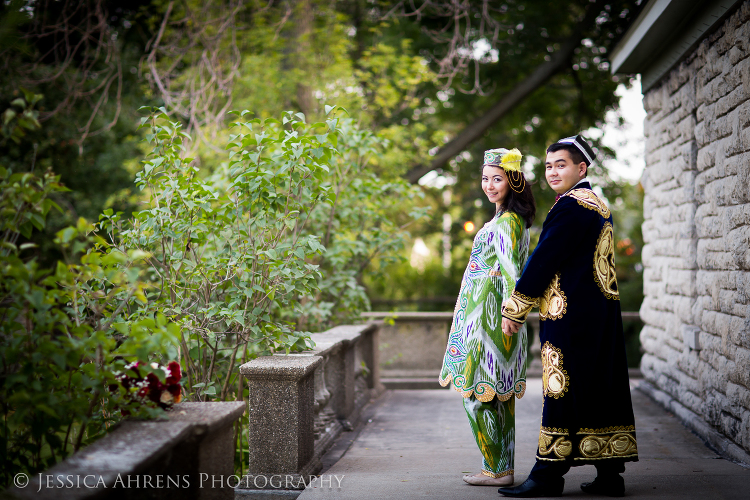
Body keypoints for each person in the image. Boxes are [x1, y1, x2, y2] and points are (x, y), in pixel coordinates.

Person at [498, 135, 638, 498]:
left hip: (570, 318)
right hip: (597, 316)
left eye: (561, 165)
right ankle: (610, 476)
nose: (553, 172)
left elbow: (544, 260)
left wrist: (515, 308)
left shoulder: (571, 206)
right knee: (597, 389)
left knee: (561, 391)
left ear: (582, 168)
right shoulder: (597, 204)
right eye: (548, 166)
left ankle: (547, 476)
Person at [439, 147, 536, 486]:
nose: (490, 185)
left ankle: (495, 469)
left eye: (497, 178)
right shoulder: (504, 219)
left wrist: (513, 313)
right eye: (485, 178)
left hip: (491, 320)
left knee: (477, 397)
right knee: (496, 398)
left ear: (513, 181)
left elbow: (512, 272)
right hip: (489, 316)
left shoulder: (508, 221)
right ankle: (500, 469)